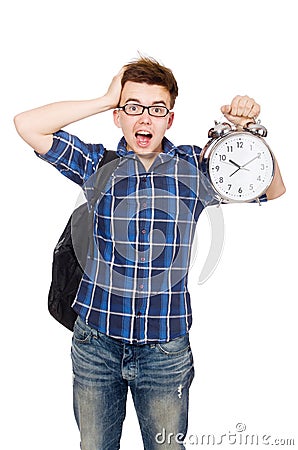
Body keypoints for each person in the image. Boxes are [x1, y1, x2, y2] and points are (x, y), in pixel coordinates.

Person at [14, 56, 285, 450]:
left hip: (165, 350)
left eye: (156, 110)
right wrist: (107, 97)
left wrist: (243, 135)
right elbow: (27, 125)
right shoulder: (96, 164)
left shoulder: (196, 167)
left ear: (169, 119)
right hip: (96, 345)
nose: (145, 119)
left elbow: (272, 188)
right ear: (118, 117)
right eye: (133, 107)